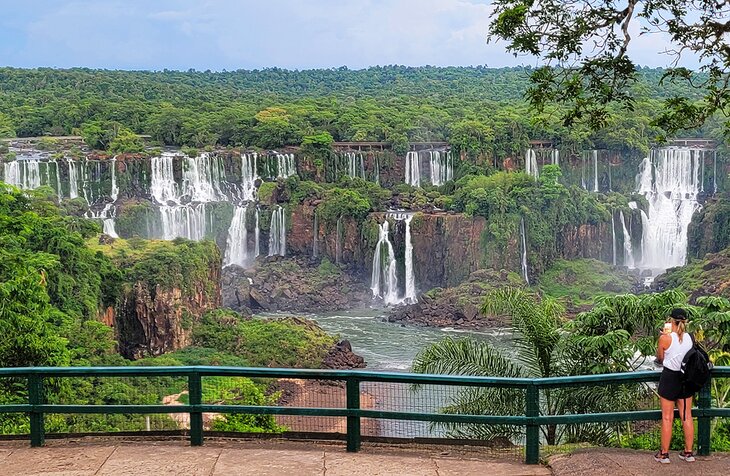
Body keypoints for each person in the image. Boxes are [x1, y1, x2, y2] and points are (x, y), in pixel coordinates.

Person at [654, 308, 696, 464]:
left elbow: (660, 357)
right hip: (685, 379)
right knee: (686, 416)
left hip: (670, 378)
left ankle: (664, 454)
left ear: (671, 321)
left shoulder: (665, 338)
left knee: (667, 417)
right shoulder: (691, 337)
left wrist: (662, 337)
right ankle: (688, 453)